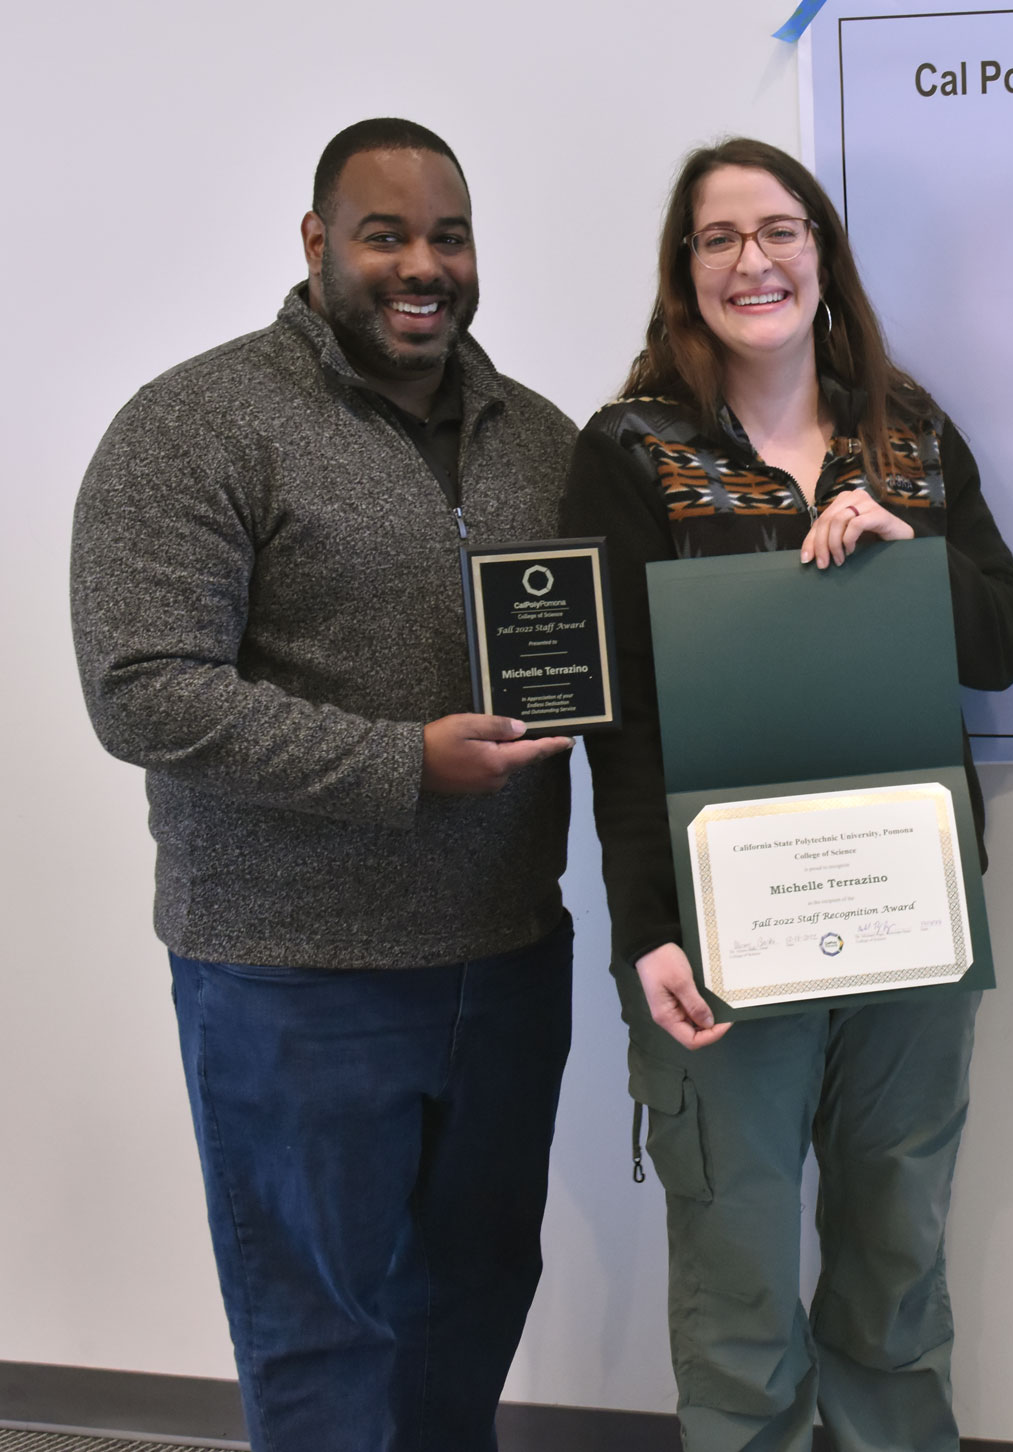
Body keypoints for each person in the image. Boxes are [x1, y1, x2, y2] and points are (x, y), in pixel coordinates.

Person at [70, 118, 578, 1451]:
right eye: (386, 233)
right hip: (292, 981)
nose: (424, 265)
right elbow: (143, 688)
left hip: (509, 966)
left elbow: (617, 666)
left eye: (449, 236)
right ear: (316, 245)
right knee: (321, 1342)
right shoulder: (197, 424)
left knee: (473, 1306)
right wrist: (397, 764)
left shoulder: (544, 438)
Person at [560, 136, 1013, 1451]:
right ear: (683, 274)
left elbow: (1003, 640)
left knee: (896, 1259)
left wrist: (909, 554)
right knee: (740, 1276)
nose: (751, 260)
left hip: (913, 917)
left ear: (824, 258)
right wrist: (647, 926)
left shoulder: (911, 434)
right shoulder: (630, 453)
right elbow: (622, 717)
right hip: (719, 931)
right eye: (717, 239)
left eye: (779, 231)